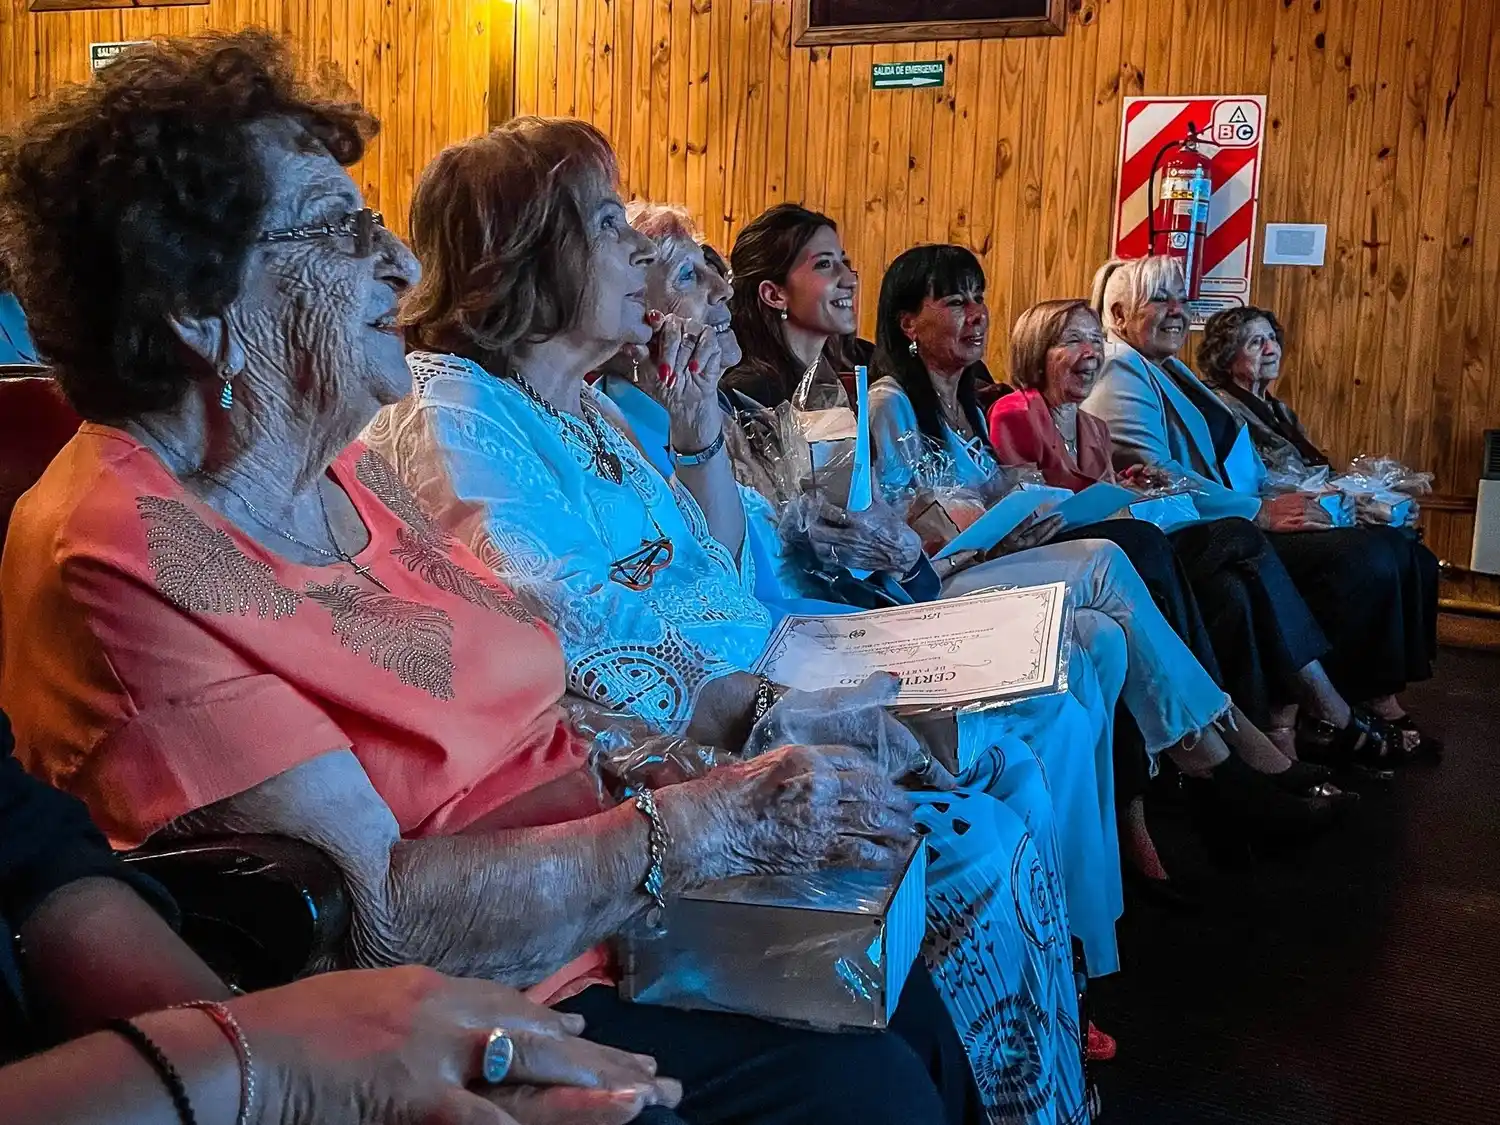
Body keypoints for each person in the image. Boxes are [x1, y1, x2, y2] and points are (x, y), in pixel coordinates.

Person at [0, 34, 974, 1125]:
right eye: (341, 231)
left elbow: (552, 677)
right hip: (475, 1007)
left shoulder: (345, 469)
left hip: (609, 915)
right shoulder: (125, 551)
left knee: (904, 1001)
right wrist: (704, 828)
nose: (403, 269)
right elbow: (373, 912)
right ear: (195, 305)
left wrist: (709, 756)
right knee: (861, 1086)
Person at [371, 120, 1090, 1124]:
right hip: (666, 750)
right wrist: (769, 713)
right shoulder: (449, 414)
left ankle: (1043, 1084)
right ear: (524, 255)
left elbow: (718, 567)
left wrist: (699, 417)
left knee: (1011, 760)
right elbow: (568, 629)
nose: (641, 256)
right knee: (974, 844)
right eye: (609, 225)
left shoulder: (595, 406)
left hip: (756, 678)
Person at [0, 708, 684, 1125]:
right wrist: (261, 1066)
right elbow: (384, 901)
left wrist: (237, 1034)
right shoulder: (130, 541)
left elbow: (33, 854)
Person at [991, 299, 1376, 768]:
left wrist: (1131, 486)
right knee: (1241, 535)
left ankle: (1264, 738)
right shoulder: (1015, 412)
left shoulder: (1092, 426)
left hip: (1121, 542)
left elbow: (1107, 495)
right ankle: (1311, 705)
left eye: (1095, 339)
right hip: (1077, 557)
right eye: (1072, 340)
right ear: (1037, 351)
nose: (1090, 351)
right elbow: (1024, 500)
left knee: (1231, 588)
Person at [1083, 258, 1423, 764]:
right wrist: (1259, 511)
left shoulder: (1167, 366)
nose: (1178, 311)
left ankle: (1349, 704)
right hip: (1197, 526)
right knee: (1359, 558)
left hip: (1233, 513)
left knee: (1388, 543)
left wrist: (1317, 494)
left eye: (1183, 299)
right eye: (1160, 300)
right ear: (1118, 313)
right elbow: (1156, 474)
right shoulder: (1119, 371)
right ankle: (1321, 715)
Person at [1198, 305, 1439, 756]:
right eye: (1255, 342)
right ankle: (1337, 701)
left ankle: (1378, 693)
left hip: (1309, 504)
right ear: (1227, 356)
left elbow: (1307, 467)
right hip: (1267, 518)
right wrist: (1344, 498)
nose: (1271, 349)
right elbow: (1254, 480)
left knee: (1411, 552)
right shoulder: (1224, 408)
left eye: (1272, 339)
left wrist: (1369, 494)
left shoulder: (1278, 408)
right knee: (1372, 558)